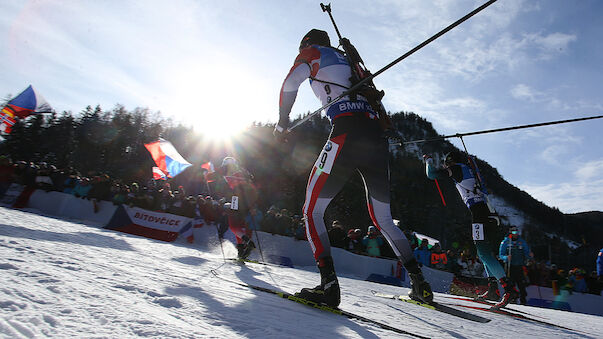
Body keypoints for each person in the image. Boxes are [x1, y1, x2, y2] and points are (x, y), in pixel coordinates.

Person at [274, 29, 432, 307]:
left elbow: (290, 83)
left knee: (312, 211)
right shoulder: (353, 61)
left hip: (346, 133)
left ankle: (329, 285)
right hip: (375, 141)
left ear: (306, 44)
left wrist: (283, 121)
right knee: (383, 220)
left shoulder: (313, 53)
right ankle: (420, 283)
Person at [424, 152, 518, 308]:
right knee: (484, 253)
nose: (446, 167)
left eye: (447, 164)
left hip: (480, 214)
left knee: (483, 253)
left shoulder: (457, 168)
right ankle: (493, 288)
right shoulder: (469, 170)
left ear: (451, 162)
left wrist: (428, 161)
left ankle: (509, 289)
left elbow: (431, 174)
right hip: (488, 213)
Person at [217, 157, 258, 260]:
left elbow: (212, 177)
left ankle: (247, 242)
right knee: (239, 226)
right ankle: (241, 251)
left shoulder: (228, 170)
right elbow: (252, 184)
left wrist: (206, 175)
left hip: (236, 198)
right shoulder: (243, 171)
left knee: (233, 226)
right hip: (248, 200)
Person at [499, 226, 531, 305]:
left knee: (521, 284)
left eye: (517, 232)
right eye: (513, 232)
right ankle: (511, 299)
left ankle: (523, 300)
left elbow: (527, 253)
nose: (515, 234)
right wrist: (506, 257)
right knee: (510, 283)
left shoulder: (522, 242)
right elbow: (501, 254)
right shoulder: (505, 242)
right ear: (510, 232)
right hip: (510, 266)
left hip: (519, 266)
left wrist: (529, 255)